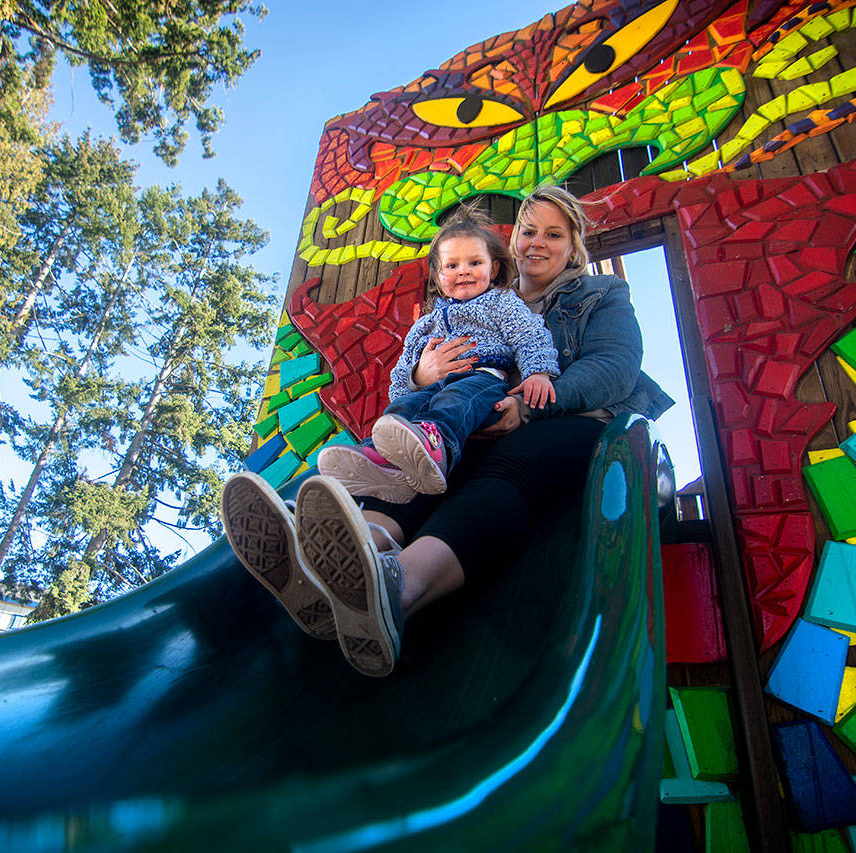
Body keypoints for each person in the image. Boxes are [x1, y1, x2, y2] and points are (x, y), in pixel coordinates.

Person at [221, 185, 674, 677]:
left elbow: (615, 367)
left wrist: (529, 406)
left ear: (573, 246)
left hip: (568, 422)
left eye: (554, 234)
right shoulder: (480, 297)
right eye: (528, 231)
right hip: (474, 419)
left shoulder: (600, 294)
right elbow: (413, 376)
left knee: (505, 467)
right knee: (419, 460)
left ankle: (399, 587)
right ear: (513, 241)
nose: (538, 243)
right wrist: (423, 376)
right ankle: (349, 552)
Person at [316, 209, 560, 502]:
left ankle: (437, 445)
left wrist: (539, 372)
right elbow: (402, 373)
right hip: (431, 387)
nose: (464, 271)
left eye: (475, 263)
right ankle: (378, 460)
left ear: (493, 269)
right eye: (452, 265)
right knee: (400, 412)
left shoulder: (501, 302)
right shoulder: (426, 323)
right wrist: (415, 381)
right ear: (438, 275)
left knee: (453, 401)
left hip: (483, 380)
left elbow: (529, 333)